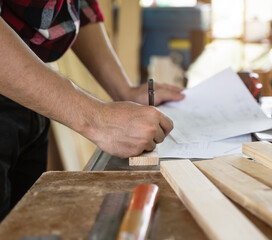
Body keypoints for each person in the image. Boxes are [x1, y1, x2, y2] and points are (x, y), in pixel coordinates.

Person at [0, 0, 185, 221]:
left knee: (21, 226)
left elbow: (77, 7)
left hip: (29, 90)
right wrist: (97, 119)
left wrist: (123, 90)